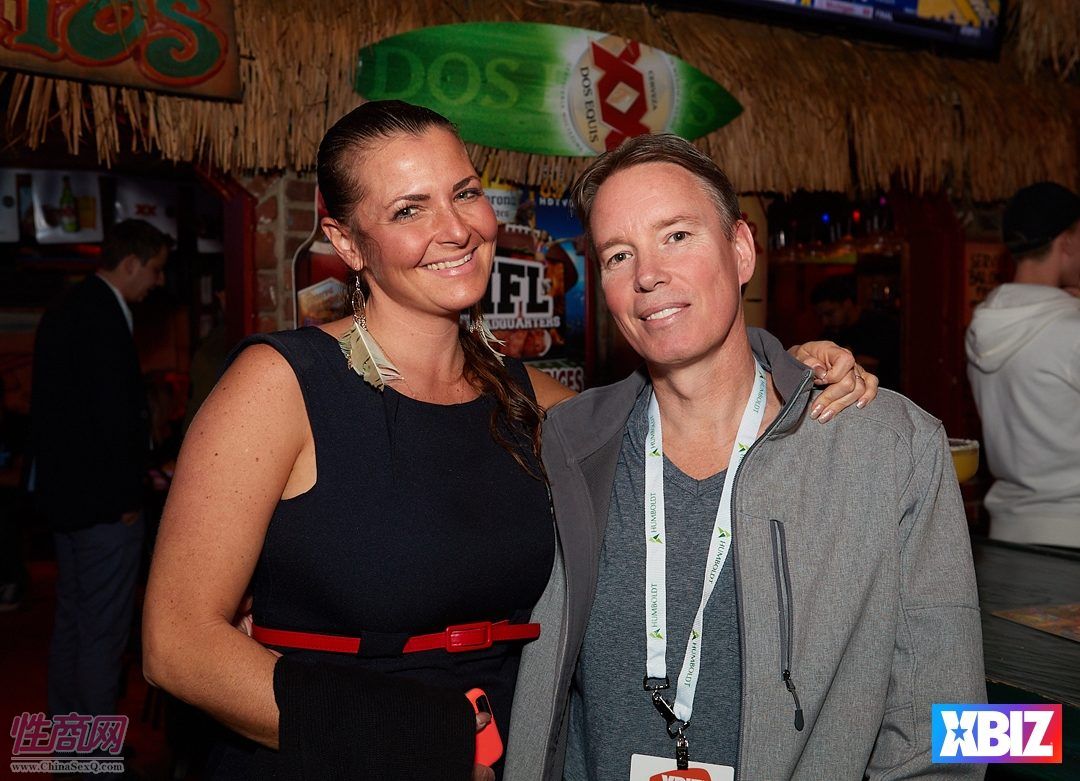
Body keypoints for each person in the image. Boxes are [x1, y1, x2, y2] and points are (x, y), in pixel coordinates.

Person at [142, 101, 873, 781]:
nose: (456, 228)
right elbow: (175, 644)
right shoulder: (282, 386)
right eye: (408, 209)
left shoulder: (533, 401)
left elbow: (690, 414)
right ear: (347, 242)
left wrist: (791, 369)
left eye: (464, 193)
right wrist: (426, 740)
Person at [501, 135, 984, 780]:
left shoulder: (889, 446)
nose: (648, 275)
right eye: (619, 254)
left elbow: (956, 722)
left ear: (741, 250)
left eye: (677, 235)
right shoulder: (568, 447)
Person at [31, 219, 169, 734]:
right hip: (105, 506)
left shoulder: (66, 308)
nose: (157, 282)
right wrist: (128, 496)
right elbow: (110, 421)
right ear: (130, 263)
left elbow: (54, 417)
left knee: (73, 623)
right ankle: (92, 758)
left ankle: (69, 748)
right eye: (155, 269)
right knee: (101, 634)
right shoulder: (103, 316)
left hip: (66, 501)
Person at [965, 181, 1080, 548]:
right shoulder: (1071, 328)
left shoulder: (983, 325)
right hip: (1072, 535)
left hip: (1007, 532)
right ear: (1067, 241)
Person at [811, 272, 901, 390]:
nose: (825, 321)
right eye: (820, 316)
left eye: (830, 313)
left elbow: (871, 367)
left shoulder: (879, 325)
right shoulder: (829, 333)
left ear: (847, 303)